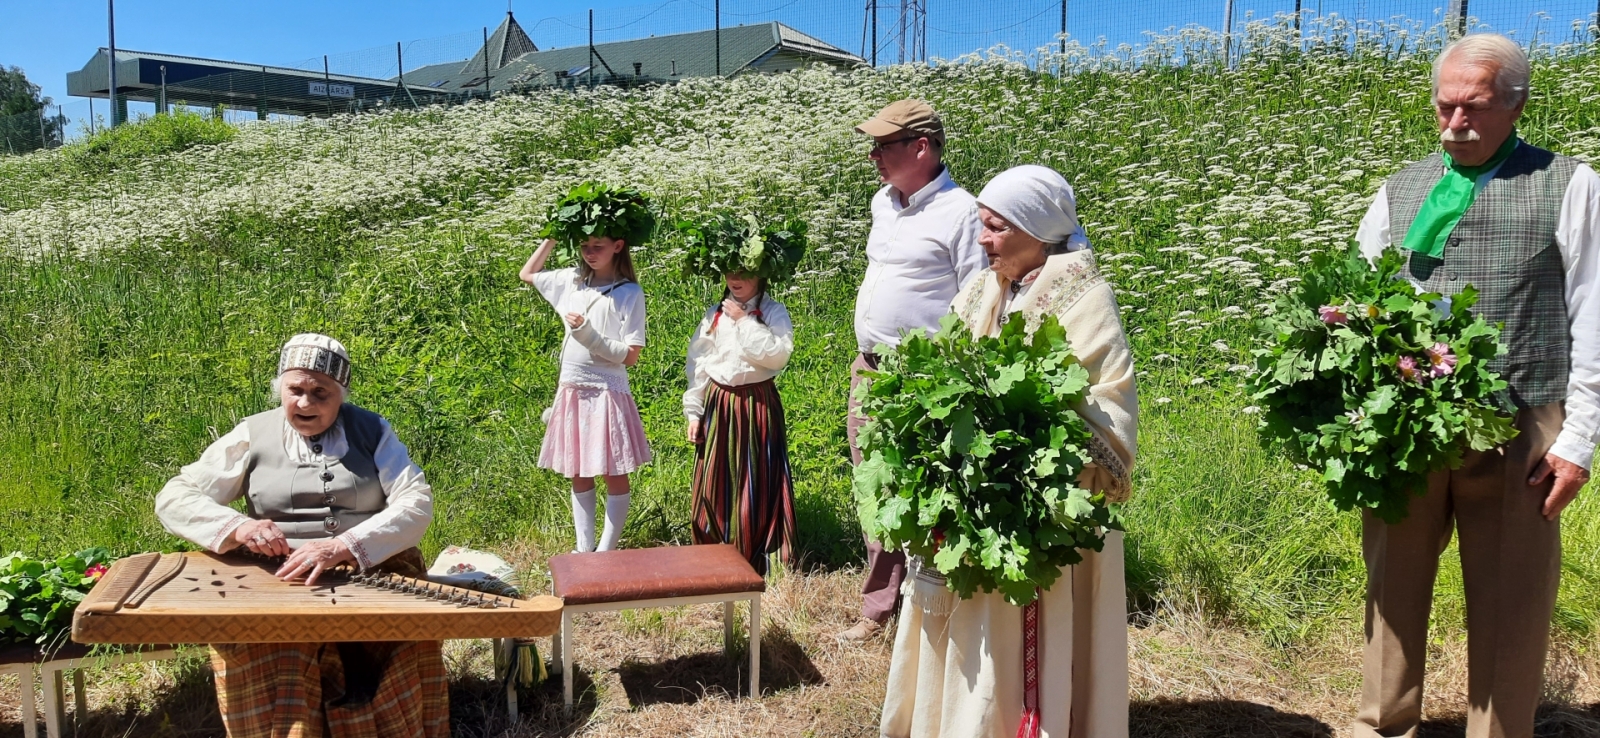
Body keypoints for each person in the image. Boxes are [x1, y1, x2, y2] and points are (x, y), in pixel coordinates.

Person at [1352, 33, 1600, 738]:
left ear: (1517, 106)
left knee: (1510, 598)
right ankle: (1383, 727)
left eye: (1475, 109)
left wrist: (1578, 439)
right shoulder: (1398, 189)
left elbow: (1596, 310)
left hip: (1520, 422)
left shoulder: (1571, 184)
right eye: (1444, 108)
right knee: (1392, 585)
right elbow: (1359, 298)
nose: (1456, 124)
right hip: (1406, 424)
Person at [880, 165, 1135, 738]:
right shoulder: (982, 289)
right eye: (982, 225)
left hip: (1045, 514)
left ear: (1036, 228)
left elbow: (1110, 404)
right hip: (973, 506)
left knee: (1027, 626)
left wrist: (1020, 434)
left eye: (995, 228)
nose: (983, 240)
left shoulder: (1085, 297)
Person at [154, 333, 445, 738]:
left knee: (396, 645)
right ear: (281, 389)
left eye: (320, 393)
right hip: (278, 573)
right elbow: (175, 497)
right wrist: (241, 527)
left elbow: (416, 502)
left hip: (370, 566)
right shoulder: (253, 433)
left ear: (340, 395)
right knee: (281, 650)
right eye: (295, 390)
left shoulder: (372, 430)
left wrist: (345, 545)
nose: (305, 403)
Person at [841, 98, 988, 642]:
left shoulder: (962, 211)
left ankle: (937, 607)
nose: (874, 156)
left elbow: (978, 302)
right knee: (872, 485)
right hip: (870, 368)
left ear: (921, 147)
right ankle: (879, 609)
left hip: (926, 378)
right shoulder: (883, 202)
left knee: (928, 490)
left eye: (884, 146)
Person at [520, 230, 650, 553]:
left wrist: (589, 336)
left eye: (599, 246)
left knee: (612, 469)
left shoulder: (629, 293)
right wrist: (553, 235)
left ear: (618, 246)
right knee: (578, 468)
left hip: (607, 390)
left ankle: (605, 553)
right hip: (573, 387)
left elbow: (631, 355)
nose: (590, 252)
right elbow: (527, 274)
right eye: (584, 245)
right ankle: (583, 549)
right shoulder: (572, 281)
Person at [684, 268, 797, 575]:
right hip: (720, 405)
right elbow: (699, 362)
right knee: (714, 480)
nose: (735, 279)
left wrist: (745, 321)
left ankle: (751, 555)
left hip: (755, 405)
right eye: (730, 272)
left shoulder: (773, 313)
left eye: (745, 273)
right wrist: (694, 411)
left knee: (754, 479)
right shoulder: (714, 314)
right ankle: (713, 556)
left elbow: (777, 356)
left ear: (761, 275)